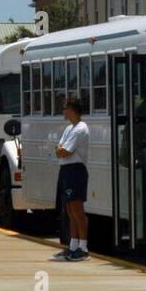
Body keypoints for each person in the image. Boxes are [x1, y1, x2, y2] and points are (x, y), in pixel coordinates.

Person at [52, 95, 91, 262]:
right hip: (66, 169)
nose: (63, 111)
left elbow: (65, 151)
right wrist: (61, 149)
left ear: (72, 109)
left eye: (65, 107)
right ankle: (73, 245)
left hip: (76, 170)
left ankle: (83, 248)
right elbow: (58, 150)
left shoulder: (81, 128)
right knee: (69, 210)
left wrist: (61, 150)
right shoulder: (69, 129)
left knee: (77, 210)